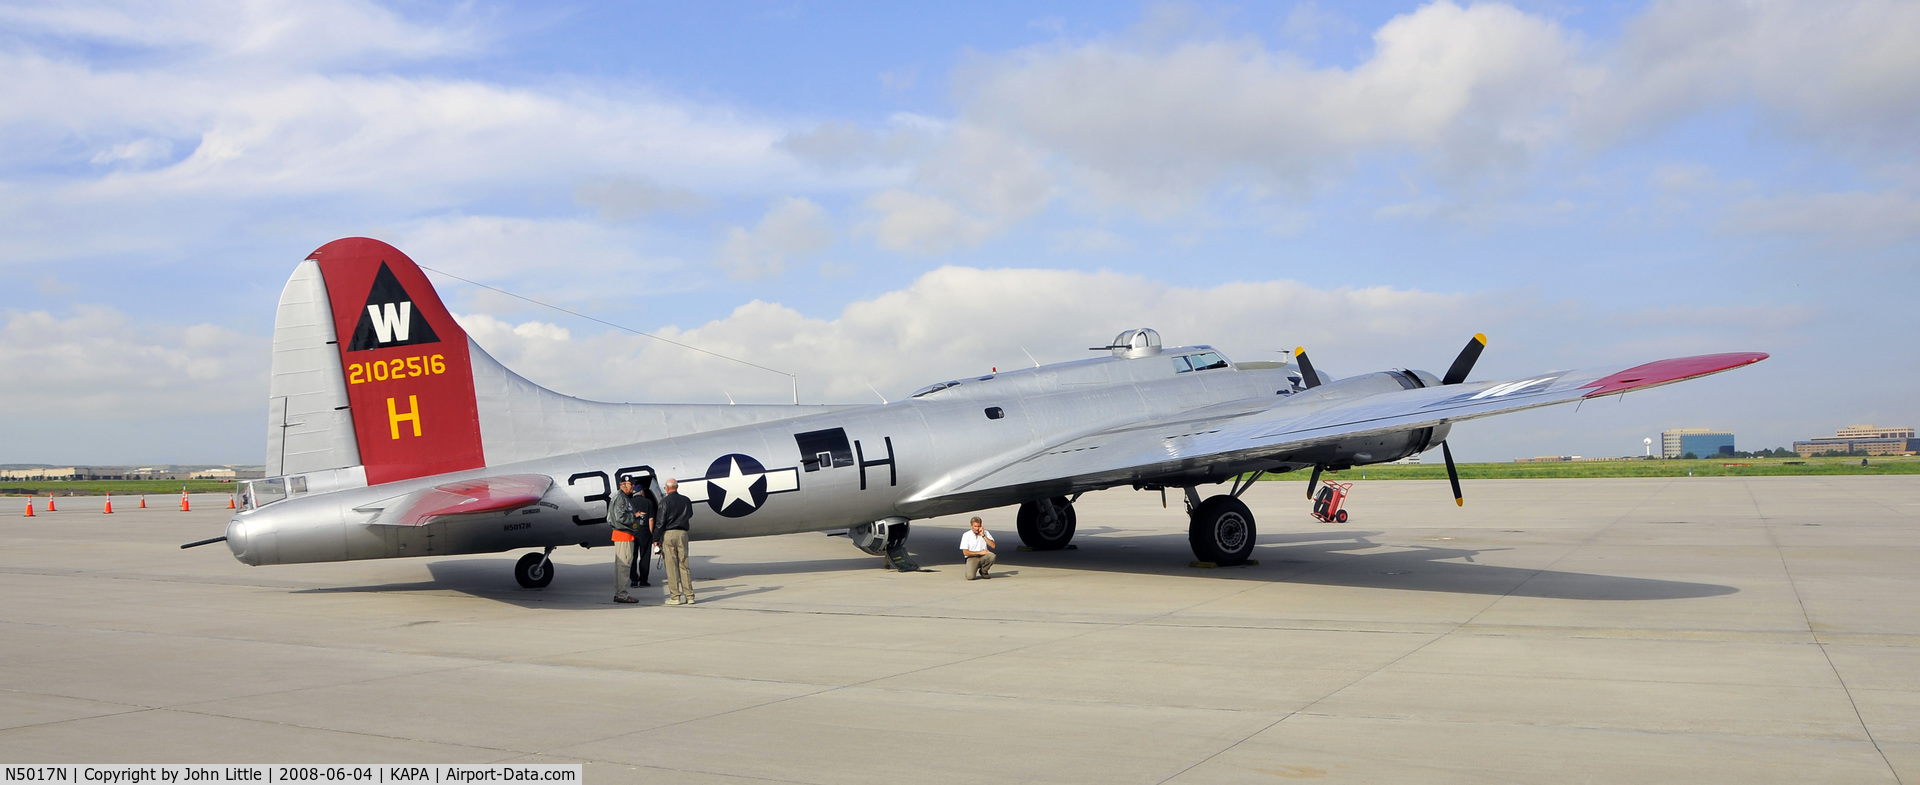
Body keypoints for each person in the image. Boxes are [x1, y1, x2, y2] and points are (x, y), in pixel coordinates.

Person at [658, 478, 695, 605]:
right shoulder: (686, 500)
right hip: (683, 533)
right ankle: (689, 596)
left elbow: (660, 521)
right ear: (677, 487)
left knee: (671, 565)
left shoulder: (664, 502)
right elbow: (690, 514)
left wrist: (656, 539)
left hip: (669, 533)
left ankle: (675, 596)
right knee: (684, 564)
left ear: (667, 488)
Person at [607, 477, 641, 604]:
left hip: (622, 534)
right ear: (623, 485)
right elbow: (620, 517)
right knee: (624, 566)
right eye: (631, 484)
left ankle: (619, 593)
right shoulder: (621, 498)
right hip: (623, 534)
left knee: (621, 566)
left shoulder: (622, 497)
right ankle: (622, 594)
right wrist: (635, 516)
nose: (633, 486)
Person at [627, 483, 657, 588]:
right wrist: (651, 532)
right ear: (641, 492)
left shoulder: (629, 502)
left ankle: (634, 580)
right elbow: (651, 519)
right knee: (645, 556)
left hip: (632, 531)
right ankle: (644, 580)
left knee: (633, 556)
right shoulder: (648, 502)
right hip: (644, 531)